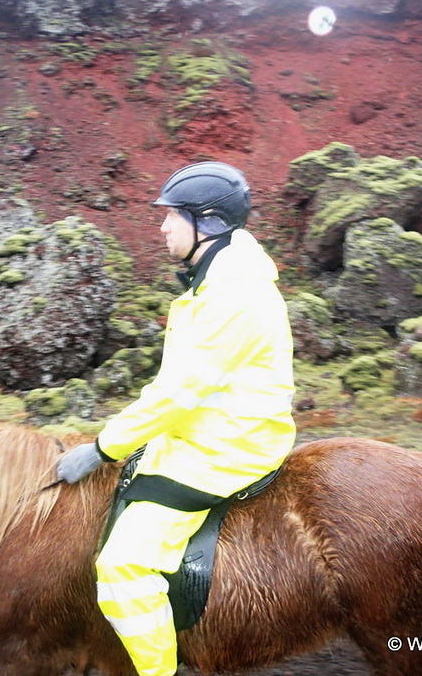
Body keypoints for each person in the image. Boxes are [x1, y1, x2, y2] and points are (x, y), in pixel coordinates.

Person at [56, 161, 296, 676]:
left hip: (230, 444)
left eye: (172, 216)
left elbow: (179, 391)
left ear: (205, 223)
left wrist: (103, 447)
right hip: (211, 427)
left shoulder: (233, 293)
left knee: (121, 566)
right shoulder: (216, 279)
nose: (162, 227)